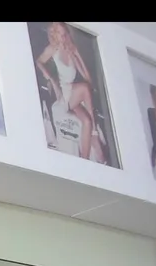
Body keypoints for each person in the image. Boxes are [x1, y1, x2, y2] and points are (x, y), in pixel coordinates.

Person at [35, 22, 107, 164]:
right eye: (59, 34)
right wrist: (50, 79)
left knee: (87, 121)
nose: (62, 37)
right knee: (84, 89)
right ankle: (94, 135)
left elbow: (88, 79)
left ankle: (84, 161)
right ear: (54, 34)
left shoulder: (69, 50)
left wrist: (77, 54)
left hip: (74, 96)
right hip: (63, 94)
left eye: (64, 34)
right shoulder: (53, 48)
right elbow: (38, 61)